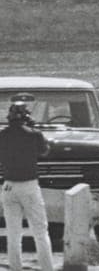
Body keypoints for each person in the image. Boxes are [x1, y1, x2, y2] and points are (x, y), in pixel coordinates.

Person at [0, 95, 54, 271]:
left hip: (8, 186)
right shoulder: (33, 135)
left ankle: (15, 267)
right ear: (25, 116)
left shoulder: (2, 136)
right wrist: (35, 131)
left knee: (13, 233)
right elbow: (45, 151)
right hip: (29, 186)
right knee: (40, 231)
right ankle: (47, 268)